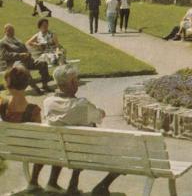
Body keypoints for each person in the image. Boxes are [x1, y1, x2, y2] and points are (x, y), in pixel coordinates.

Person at [44, 65, 119, 195]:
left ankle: (70, 184)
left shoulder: (48, 102)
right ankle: (103, 185)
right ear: (72, 83)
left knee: (76, 136)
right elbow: (100, 115)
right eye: (76, 80)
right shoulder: (81, 106)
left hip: (61, 151)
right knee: (92, 133)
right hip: (87, 152)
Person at [0, 65, 45, 193]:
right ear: (26, 84)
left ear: (7, 85)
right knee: (46, 145)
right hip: (28, 150)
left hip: (6, 148)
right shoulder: (33, 111)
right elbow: (40, 136)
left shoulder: (2, 104)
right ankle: (33, 181)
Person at [0, 24, 51, 94]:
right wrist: (19, 55)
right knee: (24, 70)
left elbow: (25, 48)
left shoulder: (17, 39)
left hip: (28, 60)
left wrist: (28, 53)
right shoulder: (3, 42)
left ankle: (45, 85)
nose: (12, 32)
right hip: (15, 63)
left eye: (13, 30)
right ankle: (36, 88)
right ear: (5, 31)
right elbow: (4, 55)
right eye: (10, 30)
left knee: (43, 63)